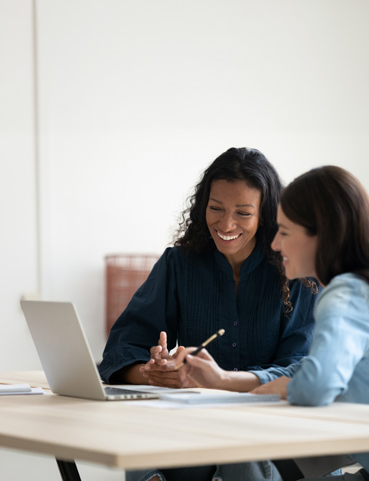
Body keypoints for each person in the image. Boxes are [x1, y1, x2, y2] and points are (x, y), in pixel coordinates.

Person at [176, 165, 369, 481]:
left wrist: (292, 388)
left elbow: (316, 385)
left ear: (321, 234)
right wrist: (227, 380)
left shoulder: (346, 293)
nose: (274, 244)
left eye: (284, 232)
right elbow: (313, 369)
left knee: (238, 454)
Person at [98, 147, 320, 481]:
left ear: (267, 216)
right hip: (192, 427)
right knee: (143, 436)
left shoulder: (296, 273)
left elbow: (298, 370)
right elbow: (120, 350)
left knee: (236, 456)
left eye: (243, 213)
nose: (226, 224)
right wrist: (157, 373)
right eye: (215, 208)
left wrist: (226, 383)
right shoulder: (178, 264)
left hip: (268, 433)